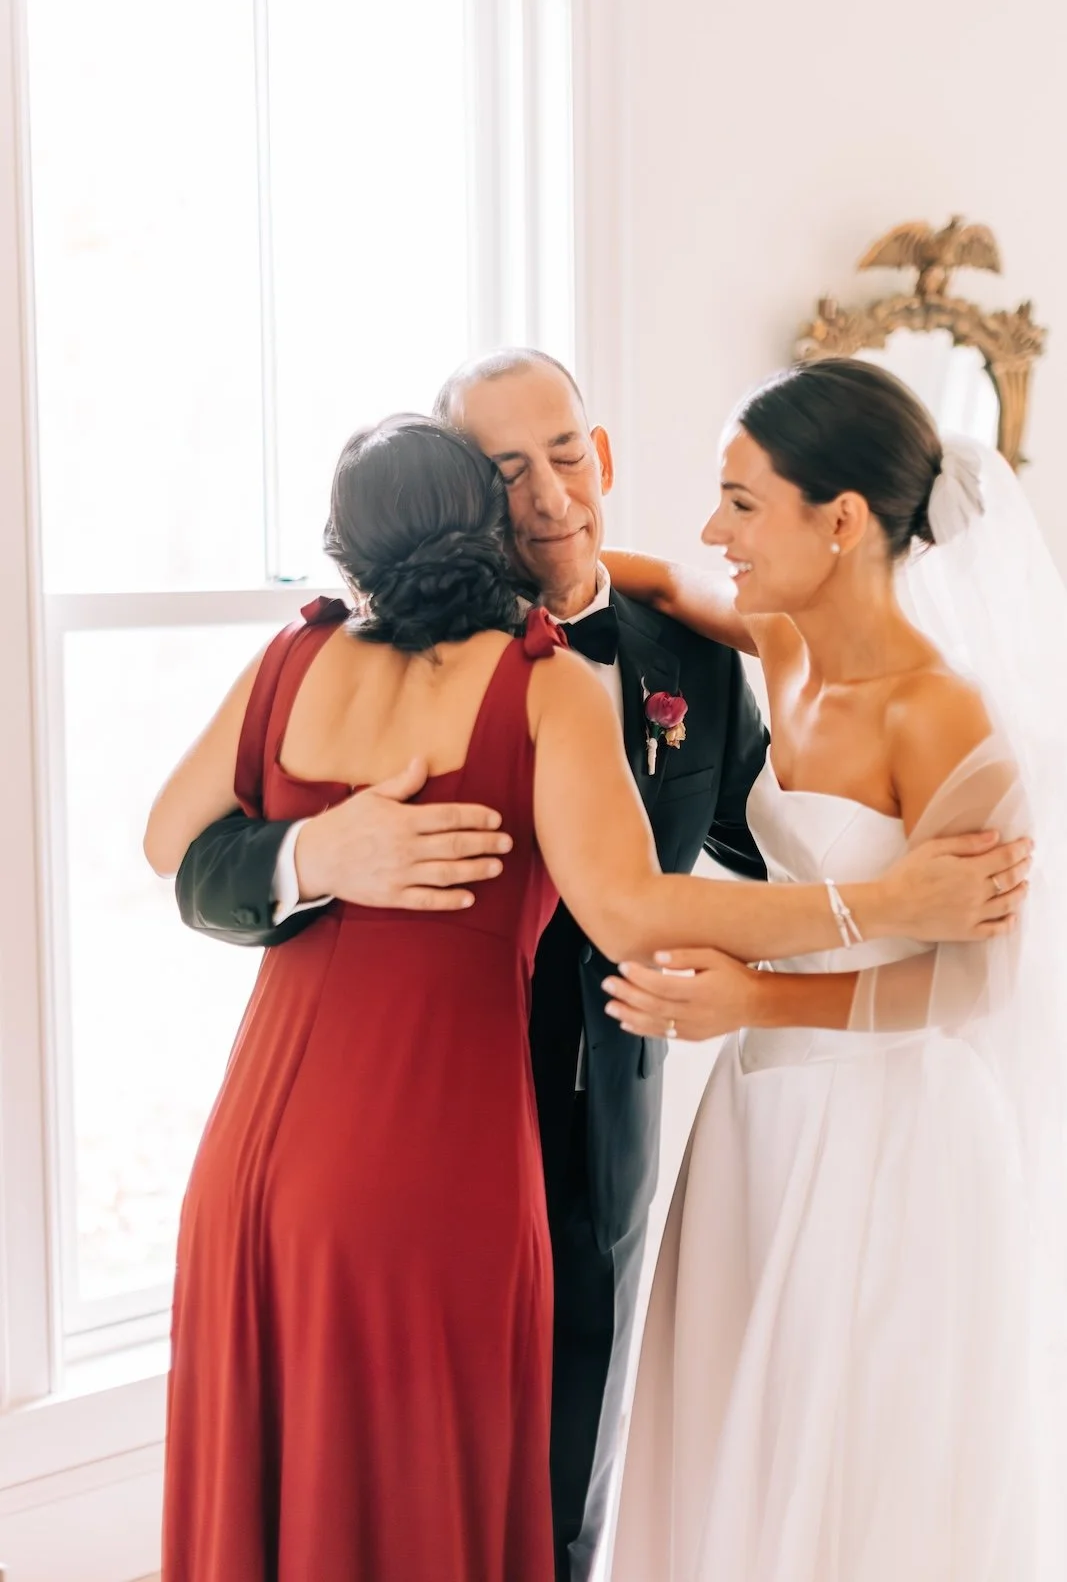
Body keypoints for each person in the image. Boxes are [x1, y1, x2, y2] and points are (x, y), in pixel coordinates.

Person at [168, 353, 1027, 1581]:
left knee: (574, 1491)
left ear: (605, 454)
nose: (548, 494)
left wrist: (848, 935)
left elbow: (767, 837)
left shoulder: (701, 659)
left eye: (567, 453)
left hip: (606, 1141)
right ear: (466, 491)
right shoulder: (368, 647)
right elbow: (193, 854)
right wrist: (316, 851)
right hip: (410, 1130)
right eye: (506, 469)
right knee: (377, 1482)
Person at [604, 359, 1064, 1582]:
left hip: (890, 1134)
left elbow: (977, 986)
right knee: (729, 1445)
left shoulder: (945, 721)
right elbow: (647, 578)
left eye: (741, 501)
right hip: (757, 1118)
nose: (713, 527)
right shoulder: (776, 643)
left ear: (842, 520)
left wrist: (753, 996)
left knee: (851, 1468)